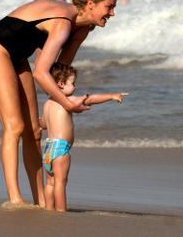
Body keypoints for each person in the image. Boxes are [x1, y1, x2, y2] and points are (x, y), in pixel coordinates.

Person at [0, 0, 118, 206]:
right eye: (109, 7)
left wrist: (62, 105)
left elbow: (57, 73)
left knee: (34, 131)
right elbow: (41, 73)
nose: (112, 13)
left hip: (19, 57)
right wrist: (68, 104)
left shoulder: (82, 30)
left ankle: (42, 201)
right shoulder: (64, 22)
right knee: (15, 126)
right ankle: (15, 199)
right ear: (91, 3)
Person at [41, 62, 127, 212]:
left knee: (50, 183)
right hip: (61, 148)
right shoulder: (68, 100)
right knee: (61, 182)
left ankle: (49, 210)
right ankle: (61, 211)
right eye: (72, 83)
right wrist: (112, 96)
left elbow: (43, 123)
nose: (75, 87)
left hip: (48, 148)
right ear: (61, 84)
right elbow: (91, 99)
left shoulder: (47, 104)